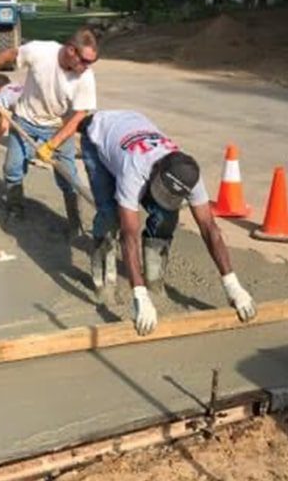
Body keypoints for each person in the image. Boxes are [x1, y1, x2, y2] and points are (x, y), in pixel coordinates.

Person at [78, 110, 257, 335]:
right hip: (98, 138)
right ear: (157, 172)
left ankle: (154, 281)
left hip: (133, 125)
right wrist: (139, 297)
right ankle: (103, 281)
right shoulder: (133, 170)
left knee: (166, 216)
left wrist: (232, 285)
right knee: (110, 216)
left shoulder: (189, 174)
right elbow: (129, 235)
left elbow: (209, 228)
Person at [0, 28, 98, 231]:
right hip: (25, 120)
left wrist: (52, 144)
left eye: (91, 62)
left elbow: (79, 116)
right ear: (71, 51)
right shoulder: (41, 51)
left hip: (58, 126)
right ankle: (15, 208)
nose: (88, 67)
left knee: (68, 176)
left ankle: (75, 223)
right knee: (12, 168)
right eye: (86, 61)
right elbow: (10, 54)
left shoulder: (85, 78)